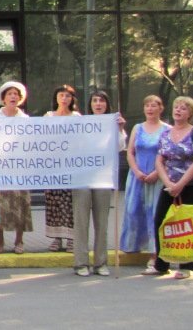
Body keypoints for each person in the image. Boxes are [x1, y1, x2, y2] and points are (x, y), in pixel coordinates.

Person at [146, 96, 193, 279]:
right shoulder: (165, 134)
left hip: (192, 186)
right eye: (176, 107)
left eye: (183, 108)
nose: (178, 110)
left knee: (188, 225)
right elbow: (159, 160)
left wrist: (180, 184)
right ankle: (161, 264)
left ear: (190, 114)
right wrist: (169, 183)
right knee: (160, 221)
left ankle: (186, 267)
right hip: (169, 185)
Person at [72, 90, 126, 277]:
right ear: (90, 105)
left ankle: (101, 263)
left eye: (101, 101)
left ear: (107, 104)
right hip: (82, 177)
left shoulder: (112, 123)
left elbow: (120, 147)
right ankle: (81, 263)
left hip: (103, 177)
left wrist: (120, 129)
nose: (98, 104)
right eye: (95, 101)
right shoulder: (81, 123)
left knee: (102, 223)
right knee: (81, 222)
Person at [121, 95, 168, 272]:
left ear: (161, 108)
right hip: (137, 176)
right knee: (133, 210)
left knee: (154, 214)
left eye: (154, 105)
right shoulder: (137, 128)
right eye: (147, 105)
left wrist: (157, 173)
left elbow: (169, 155)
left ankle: (154, 254)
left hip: (157, 177)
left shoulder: (167, 130)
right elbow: (130, 152)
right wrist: (137, 171)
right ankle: (133, 245)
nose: (150, 108)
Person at [0, 81, 32, 254]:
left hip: (20, 168)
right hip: (0, 168)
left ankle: (19, 240)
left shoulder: (25, 119)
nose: (13, 96)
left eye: (16, 94)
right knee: (0, 204)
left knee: (20, 203)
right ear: (4, 98)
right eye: (10, 94)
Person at [43, 84, 79, 252]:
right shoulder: (48, 117)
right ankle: (56, 238)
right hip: (53, 167)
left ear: (72, 99)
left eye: (67, 96)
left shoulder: (77, 117)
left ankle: (72, 238)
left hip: (71, 166)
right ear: (56, 98)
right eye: (61, 95)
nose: (64, 99)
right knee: (54, 202)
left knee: (71, 203)